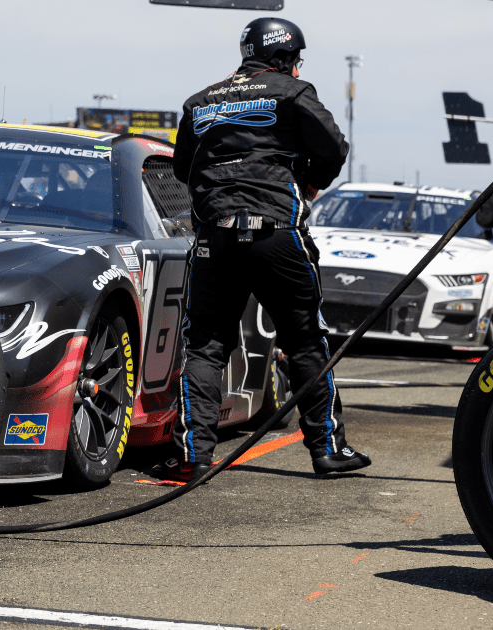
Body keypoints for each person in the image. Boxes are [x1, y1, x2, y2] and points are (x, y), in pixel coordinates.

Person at [153, 17, 370, 481]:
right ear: (284, 57)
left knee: (206, 347)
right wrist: (310, 179)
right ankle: (328, 449)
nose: (297, 68)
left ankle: (192, 458)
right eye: (295, 60)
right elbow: (334, 147)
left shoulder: (200, 101)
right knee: (307, 341)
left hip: (216, 238)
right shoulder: (293, 92)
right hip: (276, 234)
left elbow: (183, 169)